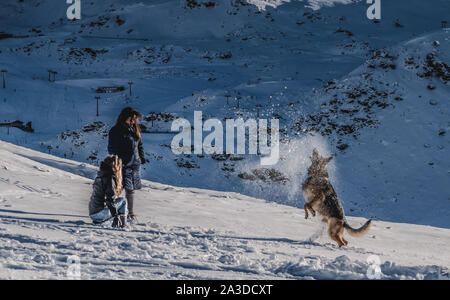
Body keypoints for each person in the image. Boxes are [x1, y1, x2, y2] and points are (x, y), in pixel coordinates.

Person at [108, 107, 146, 223]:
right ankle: (117, 212)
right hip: (122, 164)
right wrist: (119, 160)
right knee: (119, 188)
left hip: (135, 164)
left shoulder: (135, 129)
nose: (133, 121)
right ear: (125, 117)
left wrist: (141, 157)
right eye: (131, 119)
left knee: (130, 189)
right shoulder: (116, 131)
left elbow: (139, 145)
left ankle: (130, 213)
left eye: (134, 119)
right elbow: (111, 148)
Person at [89, 155, 127, 228]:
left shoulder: (100, 175)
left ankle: (100, 220)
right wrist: (115, 216)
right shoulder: (109, 178)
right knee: (123, 201)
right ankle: (122, 224)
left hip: (92, 213)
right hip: (99, 214)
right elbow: (109, 200)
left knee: (118, 202)